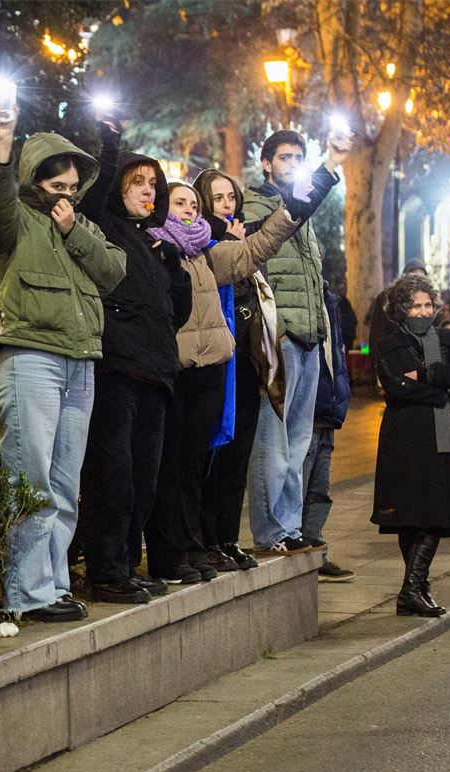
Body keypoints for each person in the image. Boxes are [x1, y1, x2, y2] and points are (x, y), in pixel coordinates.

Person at [0, 104, 126, 620]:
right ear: (36, 182)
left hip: (81, 362)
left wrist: (73, 232)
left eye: (71, 184)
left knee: (65, 483)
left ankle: (54, 584)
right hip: (31, 358)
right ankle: (28, 592)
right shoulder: (17, 221)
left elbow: (113, 271)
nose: (65, 192)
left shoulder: (78, 226)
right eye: (56, 184)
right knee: (30, 479)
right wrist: (2, 145)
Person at [144, 181, 298, 583]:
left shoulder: (205, 250)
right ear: (162, 207)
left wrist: (295, 208)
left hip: (211, 367)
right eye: (180, 202)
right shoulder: (154, 247)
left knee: (195, 466)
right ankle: (169, 553)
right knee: (170, 467)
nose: (189, 210)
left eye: (193, 205)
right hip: (175, 369)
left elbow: (253, 251)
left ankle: (194, 547)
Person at [74, 120, 192, 603]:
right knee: (113, 473)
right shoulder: (104, 225)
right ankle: (105, 568)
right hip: (117, 367)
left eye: (152, 185)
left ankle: (126, 562)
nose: (147, 192)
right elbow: (96, 193)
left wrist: (173, 268)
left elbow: (176, 312)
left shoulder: (154, 242)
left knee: (144, 477)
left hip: (157, 371)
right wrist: (109, 144)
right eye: (137, 182)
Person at [243, 129, 351, 555]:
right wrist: (330, 165)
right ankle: (270, 532)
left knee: (299, 441)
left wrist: (318, 333)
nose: (291, 163)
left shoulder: (300, 216)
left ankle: (288, 527)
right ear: (266, 164)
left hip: (307, 339)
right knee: (273, 441)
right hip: (280, 338)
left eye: (298, 157)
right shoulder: (259, 206)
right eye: (284, 157)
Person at [371, 273, 450, 616]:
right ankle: (415, 590)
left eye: (428, 305)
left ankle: (413, 589)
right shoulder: (389, 345)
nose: (423, 312)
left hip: (442, 437)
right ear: (401, 309)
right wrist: (438, 383)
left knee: (436, 515)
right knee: (410, 517)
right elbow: (397, 388)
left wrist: (426, 377)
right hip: (405, 438)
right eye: (416, 306)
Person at [193, 169, 275, 572]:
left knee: (238, 458)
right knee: (213, 457)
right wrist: (230, 246)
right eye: (217, 198)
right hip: (215, 367)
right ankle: (206, 540)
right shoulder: (201, 246)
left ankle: (227, 538)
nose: (227, 204)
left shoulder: (242, 245)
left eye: (231, 197)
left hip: (246, 363)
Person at [303, 285, 356, 581]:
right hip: (308, 410)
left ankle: (315, 550)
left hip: (328, 409)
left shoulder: (329, 300)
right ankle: (298, 550)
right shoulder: (301, 297)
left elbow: (337, 355)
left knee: (320, 490)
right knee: (300, 486)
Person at [368, 259, 427, 378]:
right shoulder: (387, 298)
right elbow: (377, 331)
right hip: (393, 357)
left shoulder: (427, 300)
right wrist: (376, 361)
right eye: (414, 276)